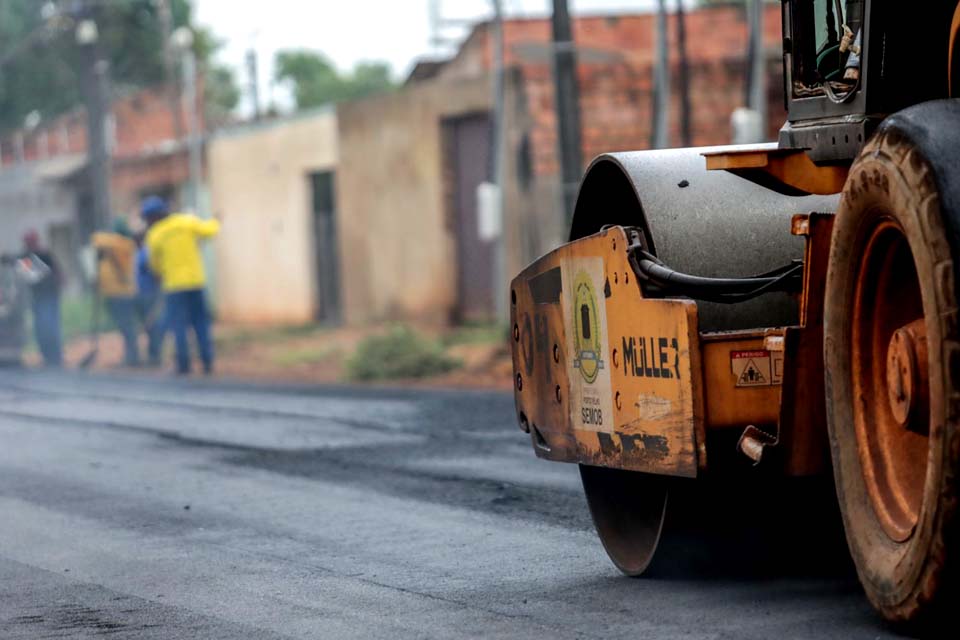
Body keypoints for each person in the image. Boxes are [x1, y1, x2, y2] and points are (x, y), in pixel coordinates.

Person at [143, 196, 220, 375]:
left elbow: (153, 263)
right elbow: (209, 230)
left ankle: (184, 364)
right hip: (195, 282)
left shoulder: (155, 234)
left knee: (178, 325)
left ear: (152, 217)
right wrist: (216, 220)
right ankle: (207, 361)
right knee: (200, 322)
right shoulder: (186, 222)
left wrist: (159, 274)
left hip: (174, 286)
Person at [91, 218, 139, 366]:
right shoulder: (117, 245)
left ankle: (132, 356)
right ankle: (131, 355)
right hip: (113, 292)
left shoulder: (125, 244)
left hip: (121, 293)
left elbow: (96, 239)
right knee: (124, 325)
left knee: (126, 326)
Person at [19, 230, 63, 367]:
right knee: (41, 328)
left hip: (50, 296)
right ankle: (47, 356)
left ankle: (55, 356)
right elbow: (29, 278)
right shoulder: (25, 257)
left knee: (51, 327)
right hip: (38, 298)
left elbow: (57, 273)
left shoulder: (44, 255)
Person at [134, 230, 165, 366]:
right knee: (148, 325)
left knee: (152, 325)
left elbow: (154, 270)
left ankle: (155, 356)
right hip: (141, 293)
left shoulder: (145, 253)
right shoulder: (138, 253)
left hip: (149, 292)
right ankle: (152, 355)